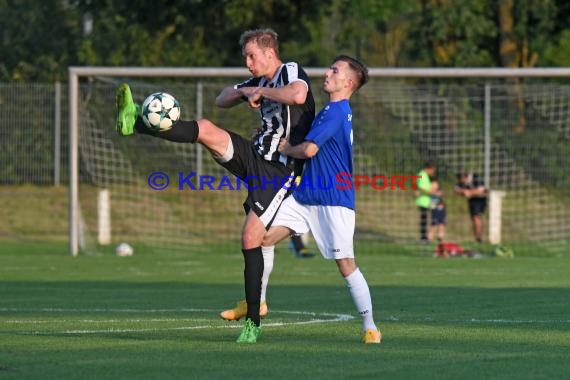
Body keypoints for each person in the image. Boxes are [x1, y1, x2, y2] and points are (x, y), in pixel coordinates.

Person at [115, 28, 315, 342]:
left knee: (252, 236)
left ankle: (252, 322)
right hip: (254, 157)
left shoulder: (288, 70)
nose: (248, 63)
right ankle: (136, 120)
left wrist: (262, 93)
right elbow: (221, 99)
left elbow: (298, 95)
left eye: (252, 56)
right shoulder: (257, 81)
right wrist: (245, 91)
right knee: (207, 128)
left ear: (269, 52)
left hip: (281, 169)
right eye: (245, 57)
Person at [261, 55, 381, 344]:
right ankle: (259, 302)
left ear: (348, 82)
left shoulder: (339, 111)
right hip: (305, 197)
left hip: (333, 200)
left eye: (335, 70)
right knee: (263, 238)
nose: (328, 73)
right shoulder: (330, 110)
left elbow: (310, 150)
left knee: (345, 264)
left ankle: (370, 327)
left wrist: (287, 147)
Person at [455, 171, 487, 242]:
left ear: (464, 177)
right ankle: (478, 237)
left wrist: (470, 192)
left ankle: (479, 237)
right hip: (472, 200)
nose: (461, 182)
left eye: (462, 180)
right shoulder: (460, 181)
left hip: (480, 199)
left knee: (476, 217)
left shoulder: (476, 178)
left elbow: (482, 190)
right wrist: (463, 192)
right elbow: (456, 190)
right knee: (474, 219)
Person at [415, 160, 437, 243]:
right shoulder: (421, 175)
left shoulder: (426, 176)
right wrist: (431, 192)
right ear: (429, 168)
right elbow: (421, 187)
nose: (433, 172)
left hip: (428, 200)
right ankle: (423, 238)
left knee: (431, 218)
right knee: (424, 219)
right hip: (423, 201)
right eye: (433, 169)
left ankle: (428, 237)